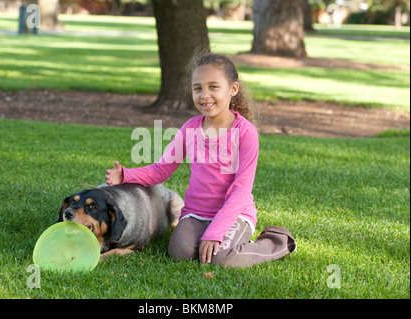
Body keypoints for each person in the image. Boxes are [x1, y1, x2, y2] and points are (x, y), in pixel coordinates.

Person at [105, 53, 296, 267]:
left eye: (213, 87)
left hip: (235, 214)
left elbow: (242, 190)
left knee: (221, 259)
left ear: (233, 89)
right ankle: (213, 239)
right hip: (196, 214)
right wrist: (126, 174)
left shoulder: (245, 132)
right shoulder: (190, 128)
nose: (204, 95)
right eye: (198, 88)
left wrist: (215, 232)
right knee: (179, 251)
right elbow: (161, 170)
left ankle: (276, 241)